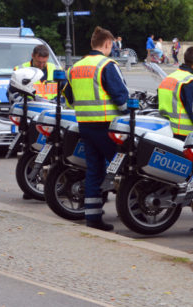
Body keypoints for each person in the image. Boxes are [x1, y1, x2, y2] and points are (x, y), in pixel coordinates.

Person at [63, 26, 129, 231]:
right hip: (108, 126)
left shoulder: (76, 67)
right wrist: (128, 110)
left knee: (94, 170)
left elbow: (69, 98)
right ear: (108, 44)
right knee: (124, 168)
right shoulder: (106, 64)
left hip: (85, 125)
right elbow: (120, 95)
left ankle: (92, 216)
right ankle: (132, 210)